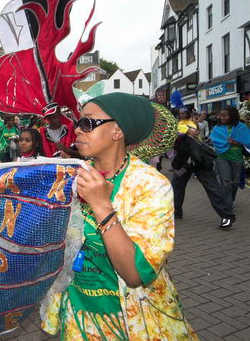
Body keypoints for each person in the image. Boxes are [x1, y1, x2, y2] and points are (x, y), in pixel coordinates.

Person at [41, 93, 197, 340]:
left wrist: (101, 205)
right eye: (77, 123)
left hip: (133, 319)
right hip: (78, 316)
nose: (77, 131)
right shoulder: (73, 176)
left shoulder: (151, 185)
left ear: (117, 131)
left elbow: (135, 274)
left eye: (87, 123)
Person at [171, 108, 235, 227]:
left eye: (184, 113)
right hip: (185, 161)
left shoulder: (191, 124)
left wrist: (189, 130)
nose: (181, 115)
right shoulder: (174, 126)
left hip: (199, 160)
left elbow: (194, 133)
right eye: (180, 113)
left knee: (212, 187)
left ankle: (227, 216)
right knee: (177, 186)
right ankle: (176, 212)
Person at [211, 106, 250, 206]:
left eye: (225, 116)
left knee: (235, 182)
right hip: (222, 157)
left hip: (237, 158)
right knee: (226, 182)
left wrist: (234, 142)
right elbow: (214, 140)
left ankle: (231, 199)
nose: (222, 118)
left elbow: (247, 142)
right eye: (221, 116)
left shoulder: (241, 127)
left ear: (232, 116)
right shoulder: (217, 128)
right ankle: (227, 205)